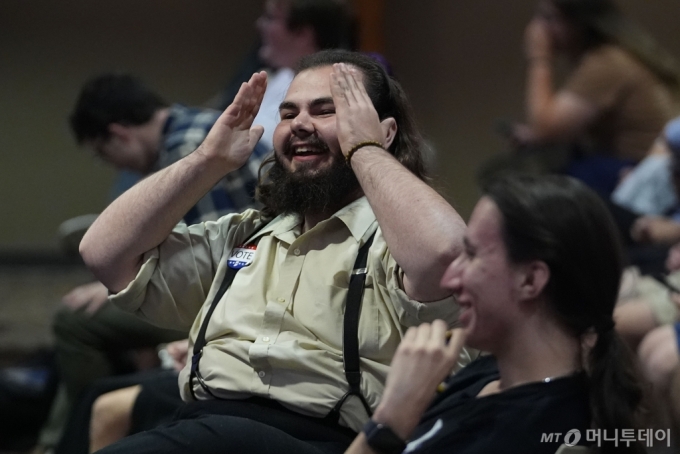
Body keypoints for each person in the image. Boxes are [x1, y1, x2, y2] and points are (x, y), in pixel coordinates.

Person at [79, 50, 466, 454]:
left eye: (325, 110)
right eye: (288, 113)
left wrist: (366, 148)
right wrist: (207, 161)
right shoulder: (246, 235)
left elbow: (445, 259)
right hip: (201, 424)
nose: (300, 124)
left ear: (383, 131)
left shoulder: (396, 244)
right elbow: (104, 253)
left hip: (322, 439)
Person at [33, 72, 271, 453]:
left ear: (120, 134)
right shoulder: (195, 127)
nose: (112, 165)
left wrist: (121, 285)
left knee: (76, 323)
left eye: (103, 153)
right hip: (244, 274)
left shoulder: (190, 149)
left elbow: (218, 261)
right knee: (101, 304)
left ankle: (67, 441)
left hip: (244, 291)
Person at [344, 174, 645, 454]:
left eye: (472, 256)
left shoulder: (537, 432)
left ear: (530, 280)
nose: (450, 280)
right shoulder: (486, 373)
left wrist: (391, 419)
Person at [490, 0, 680, 197]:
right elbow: (555, 128)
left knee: (546, 193)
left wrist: (540, 58)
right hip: (638, 169)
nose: (538, 28)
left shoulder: (606, 64)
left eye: (549, 17)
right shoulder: (607, 57)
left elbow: (544, 126)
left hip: (642, 175)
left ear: (578, 22)